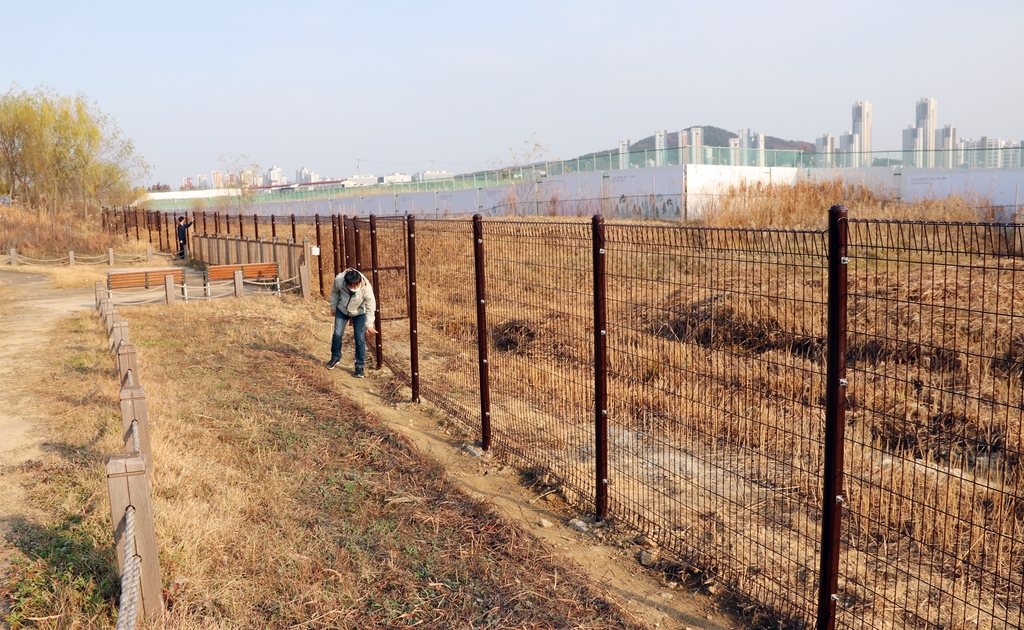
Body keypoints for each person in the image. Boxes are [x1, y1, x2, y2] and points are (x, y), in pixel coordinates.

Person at [326, 268, 377, 377]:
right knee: (337, 334)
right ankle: (335, 357)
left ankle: (359, 366)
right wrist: (333, 306)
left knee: (360, 339)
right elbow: (334, 292)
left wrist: (369, 324)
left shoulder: (366, 288)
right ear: (346, 283)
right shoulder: (339, 280)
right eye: (351, 286)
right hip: (342, 309)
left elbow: (370, 306)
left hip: (359, 312)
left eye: (356, 285)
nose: (354, 288)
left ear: (359, 282)